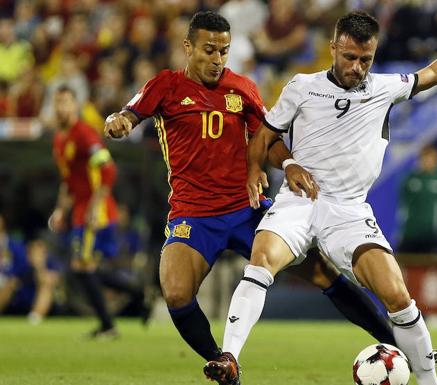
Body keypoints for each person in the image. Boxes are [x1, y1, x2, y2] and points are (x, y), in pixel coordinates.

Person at [206, 10, 437, 385]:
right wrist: (261, 169)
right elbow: (263, 135)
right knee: (261, 260)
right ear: (333, 49)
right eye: (350, 58)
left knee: (397, 295)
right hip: (297, 202)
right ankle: (229, 358)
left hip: (349, 210)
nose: (357, 67)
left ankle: (430, 382)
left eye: (366, 59)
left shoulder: (384, 88)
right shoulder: (302, 86)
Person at [104, 10, 396, 378]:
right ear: (187, 47)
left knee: (323, 273)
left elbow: (267, 138)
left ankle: (397, 345)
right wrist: (119, 122)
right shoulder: (165, 85)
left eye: (223, 51)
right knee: (176, 292)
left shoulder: (242, 88)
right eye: (209, 50)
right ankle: (224, 361)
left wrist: (288, 164)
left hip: (247, 208)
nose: (217, 59)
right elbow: (130, 113)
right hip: (192, 213)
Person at [48, 85, 120, 337]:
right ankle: (132, 295)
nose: (61, 107)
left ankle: (108, 325)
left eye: (66, 102)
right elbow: (68, 182)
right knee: (83, 267)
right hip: (78, 211)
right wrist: (59, 210)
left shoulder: (84, 134)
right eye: (57, 102)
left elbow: (108, 170)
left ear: (75, 105)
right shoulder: (59, 138)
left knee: (82, 265)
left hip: (94, 212)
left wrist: (95, 205)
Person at [0, 216, 60, 323]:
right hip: (17, 297)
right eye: (34, 247)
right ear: (28, 249)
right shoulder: (22, 259)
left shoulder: (49, 262)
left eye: (40, 247)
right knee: (9, 284)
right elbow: (11, 277)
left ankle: (34, 319)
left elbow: (52, 278)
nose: (37, 251)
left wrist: (39, 266)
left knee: (47, 283)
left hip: (39, 300)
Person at [398, 144, 437, 254]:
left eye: (431, 159)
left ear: (436, 160)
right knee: (404, 261)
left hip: (432, 233)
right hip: (410, 231)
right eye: (425, 158)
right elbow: (403, 200)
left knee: (431, 265)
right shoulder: (410, 178)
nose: (427, 162)